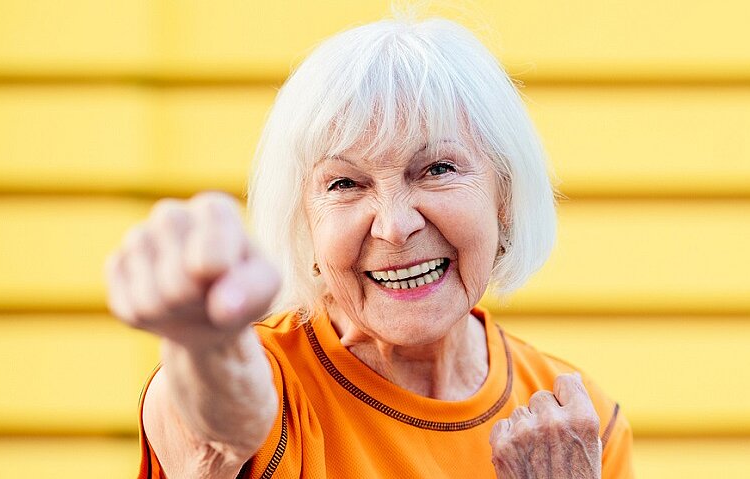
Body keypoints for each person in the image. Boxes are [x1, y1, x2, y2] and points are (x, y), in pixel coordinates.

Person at [105, 14, 634, 479]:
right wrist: (205, 343)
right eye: (345, 184)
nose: (395, 226)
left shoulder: (575, 423)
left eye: (437, 169)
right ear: (304, 222)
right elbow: (219, 425)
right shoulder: (270, 379)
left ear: (505, 197)